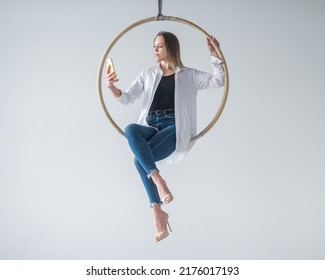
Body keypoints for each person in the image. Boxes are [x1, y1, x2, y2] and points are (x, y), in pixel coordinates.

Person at [106, 31, 224, 242]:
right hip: (152, 126)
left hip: (175, 127)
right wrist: (111, 87)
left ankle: (157, 212)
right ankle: (158, 181)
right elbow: (127, 99)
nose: (155, 49)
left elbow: (219, 80)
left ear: (171, 47)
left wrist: (215, 55)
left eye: (159, 45)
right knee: (131, 129)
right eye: (154, 46)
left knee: (138, 159)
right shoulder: (147, 74)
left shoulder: (189, 75)